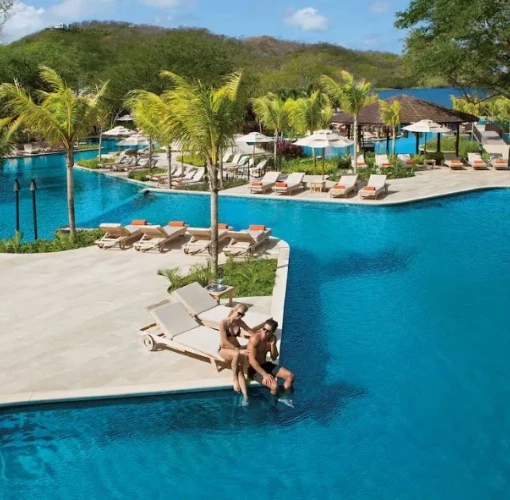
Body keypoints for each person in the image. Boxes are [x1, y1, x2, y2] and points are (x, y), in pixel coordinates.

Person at [247, 319, 295, 397]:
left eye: (268, 331)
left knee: (290, 376)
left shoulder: (272, 339)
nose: (265, 332)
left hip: (265, 365)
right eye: (264, 329)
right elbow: (251, 360)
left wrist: (272, 345)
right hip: (254, 369)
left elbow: (274, 357)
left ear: (272, 332)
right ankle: (273, 402)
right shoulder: (255, 339)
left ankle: (284, 397)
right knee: (274, 386)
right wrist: (265, 374)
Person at [218, 304, 255, 405]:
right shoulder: (223, 323)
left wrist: (260, 336)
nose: (240, 316)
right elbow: (224, 341)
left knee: (241, 370)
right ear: (234, 310)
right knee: (237, 355)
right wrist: (238, 350)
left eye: (242, 315)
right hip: (224, 350)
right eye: (239, 313)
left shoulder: (239, 322)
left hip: (237, 348)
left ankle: (246, 397)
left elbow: (250, 330)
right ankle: (234, 379)